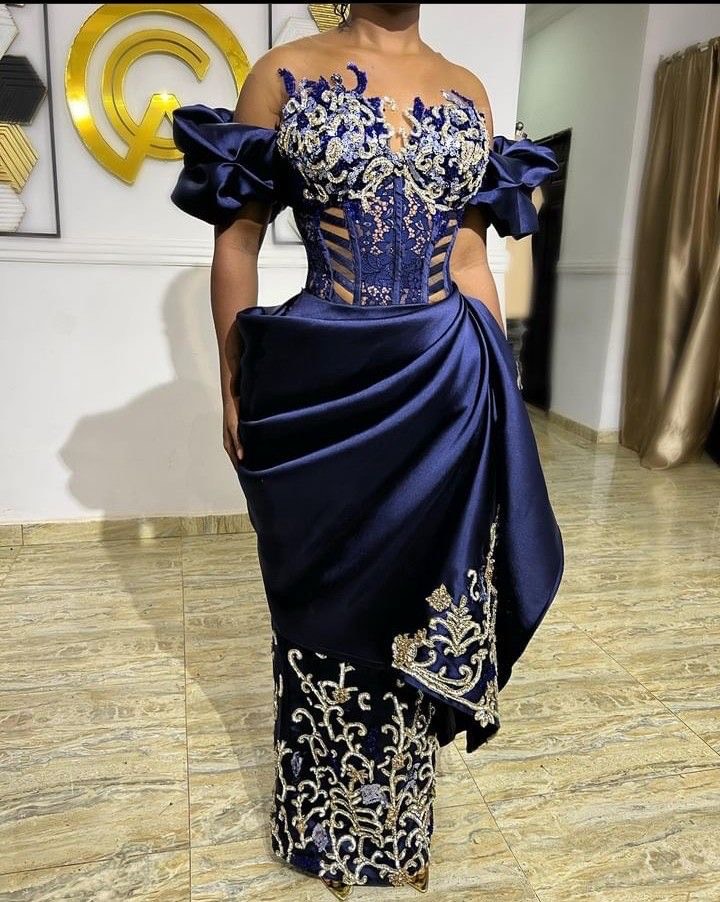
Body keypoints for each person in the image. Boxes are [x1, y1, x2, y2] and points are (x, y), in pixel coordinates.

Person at [171, 3, 564, 897]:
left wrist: (498, 387)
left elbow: (470, 261)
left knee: (421, 600)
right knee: (320, 602)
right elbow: (237, 240)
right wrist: (235, 378)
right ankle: (323, 829)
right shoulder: (283, 71)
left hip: (443, 382)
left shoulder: (467, 90)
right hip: (323, 386)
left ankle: (398, 827)